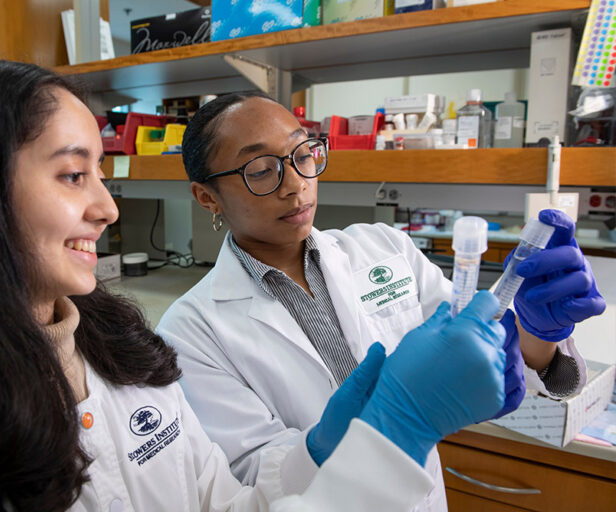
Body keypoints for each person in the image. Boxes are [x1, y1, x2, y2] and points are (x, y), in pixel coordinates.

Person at [0, 60, 512, 512]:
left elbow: (229, 504)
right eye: (74, 175)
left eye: (303, 154)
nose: (108, 209)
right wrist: (394, 433)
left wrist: (320, 450)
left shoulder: (123, 360)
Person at [156, 92, 607, 509]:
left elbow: (481, 355)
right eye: (260, 171)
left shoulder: (384, 248)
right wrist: (330, 445)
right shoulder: (190, 331)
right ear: (206, 197)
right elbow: (251, 482)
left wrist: (536, 332)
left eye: (302, 154)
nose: (296, 184)